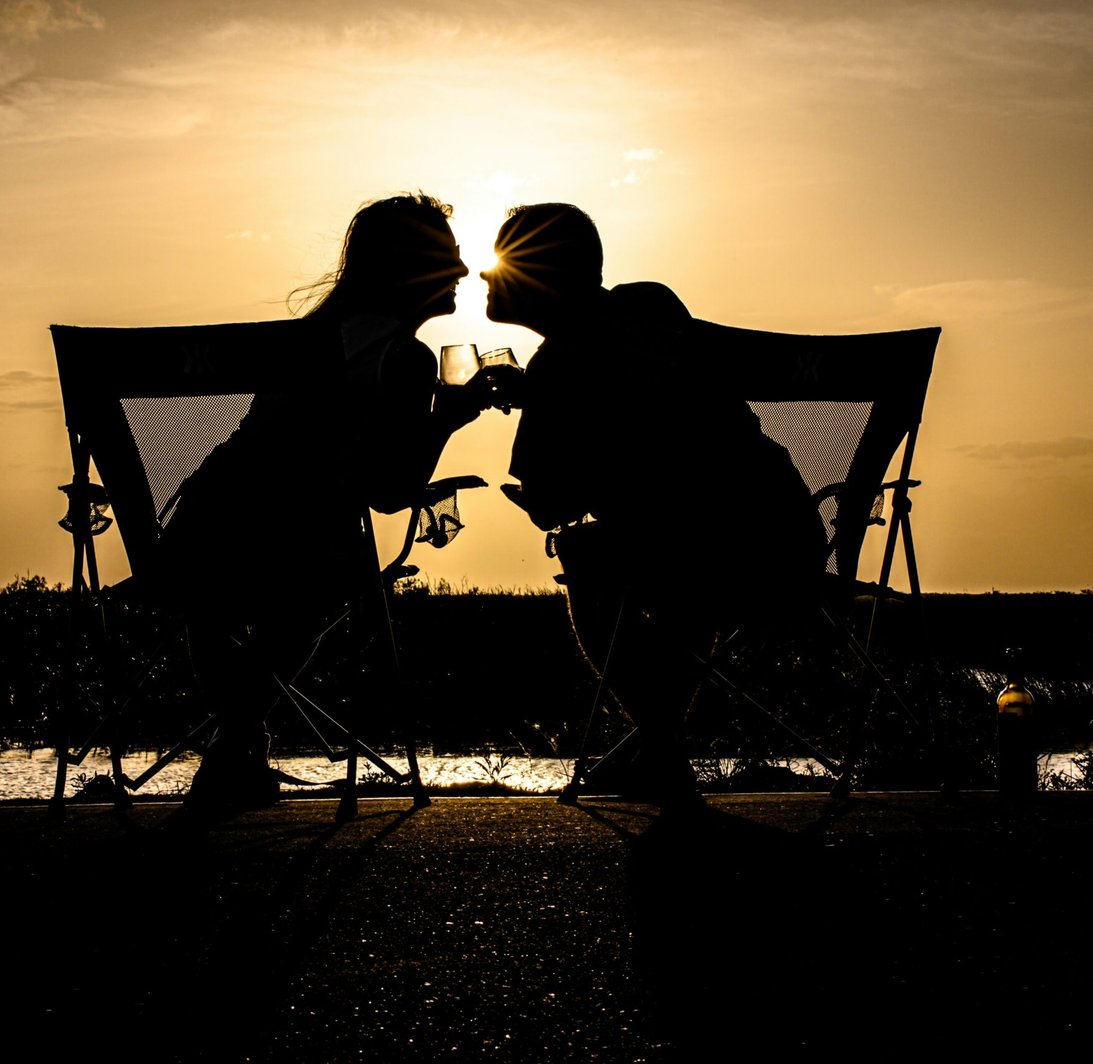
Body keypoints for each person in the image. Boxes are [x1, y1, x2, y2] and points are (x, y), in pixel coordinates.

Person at [482, 202, 826, 808]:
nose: (486, 276)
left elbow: (549, 501)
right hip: (787, 544)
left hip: (694, 561)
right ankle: (657, 751)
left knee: (592, 555)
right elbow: (649, 411)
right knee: (665, 550)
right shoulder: (652, 307)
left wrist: (541, 406)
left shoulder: (557, 366)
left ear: (540, 280)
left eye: (501, 264)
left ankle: (660, 746)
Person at [162, 192, 491, 819]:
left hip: (197, 538)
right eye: (448, 257)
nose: (463, 270)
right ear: (409, 270)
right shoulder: (404, 358)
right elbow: (390, 491)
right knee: (316, 580)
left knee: (215, 607)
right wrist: (449, 420)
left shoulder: (298, 343)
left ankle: (236, 744)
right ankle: (238, 741)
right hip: (301, 554)